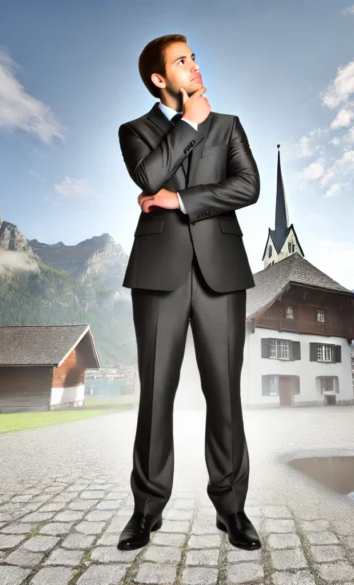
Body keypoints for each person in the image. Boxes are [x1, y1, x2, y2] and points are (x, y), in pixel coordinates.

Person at [115, 33, 261, 551]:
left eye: (195, 57)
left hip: (222, 273)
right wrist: (190, 123)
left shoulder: (231, 126)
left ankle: (232, 509)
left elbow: (248, 187)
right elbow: (147, 172)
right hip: (158, 275)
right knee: (156, 395)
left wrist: (179, 200)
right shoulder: (135, 130)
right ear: (160, 78)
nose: (195, 66)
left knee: (224, 394)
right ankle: (147, 510)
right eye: (182, 61)